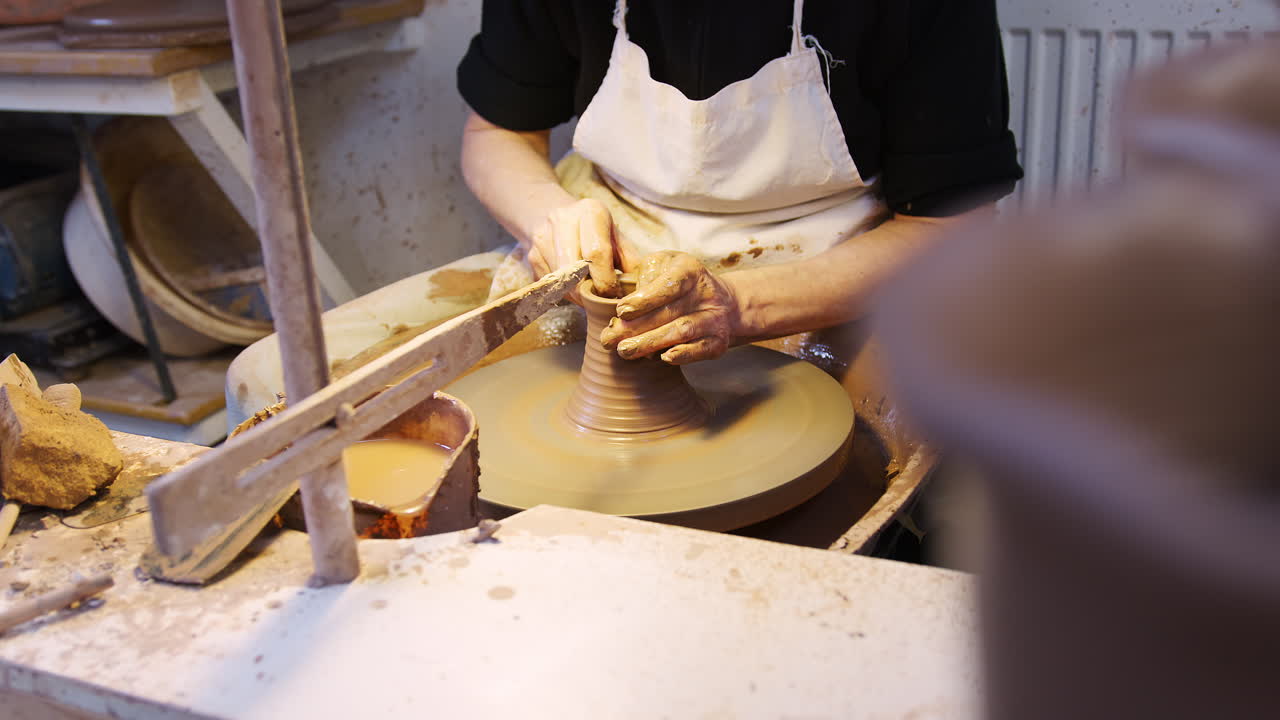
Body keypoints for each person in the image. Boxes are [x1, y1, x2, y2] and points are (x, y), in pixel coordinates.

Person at [457, 0, 1023, 366]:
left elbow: (950, 226)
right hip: (613, 232)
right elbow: (495, 134)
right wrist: (548, 219)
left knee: (913, 433)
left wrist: (739, 306)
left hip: (837, 260)